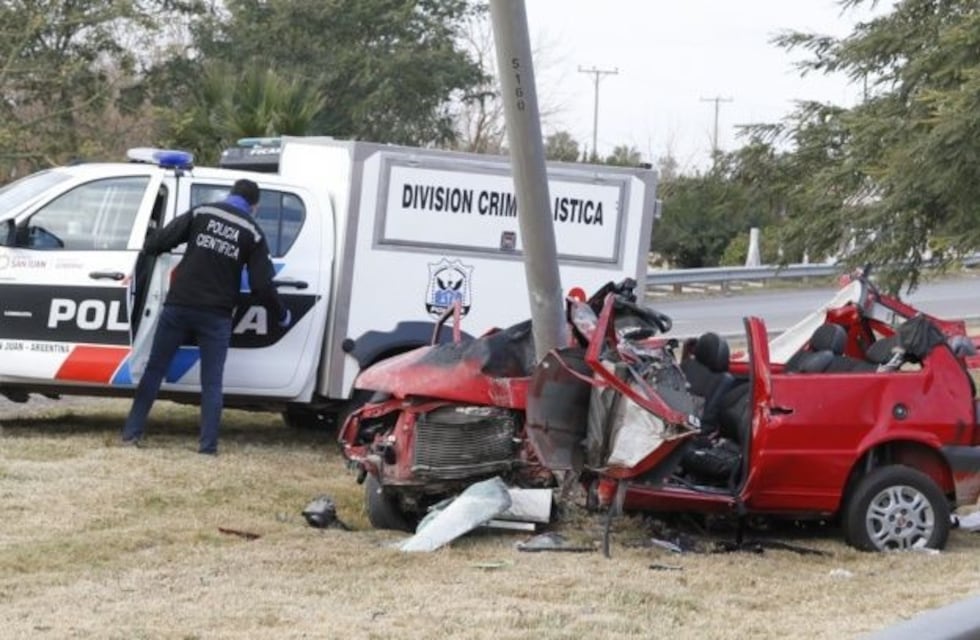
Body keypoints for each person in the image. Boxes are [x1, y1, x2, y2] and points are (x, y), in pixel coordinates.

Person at [121, 179, 290, 455]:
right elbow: (262, 286)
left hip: (179, 305)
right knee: (212, 381)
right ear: (254, 206)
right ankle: (207, 447)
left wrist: (149, 250)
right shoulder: (253, 232)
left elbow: (159, 242)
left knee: (154, 370)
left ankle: (132, 433)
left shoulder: (203, 213)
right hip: (216, 315)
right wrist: (281, 314)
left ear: (230, 194)